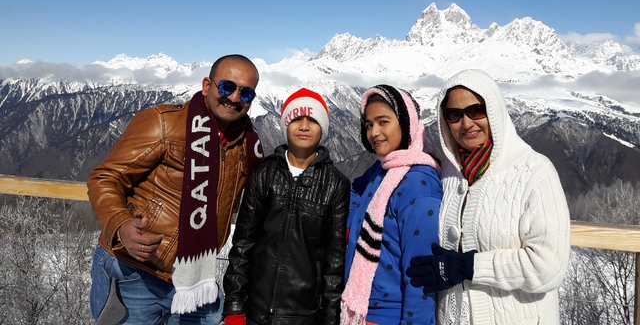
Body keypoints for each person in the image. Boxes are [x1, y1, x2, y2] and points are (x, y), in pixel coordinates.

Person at [87, 54, 263, 325]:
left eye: (246, 92)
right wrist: (121, 223)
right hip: (136, 272)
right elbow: (105, 177)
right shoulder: (164, 123)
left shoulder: (247, 146)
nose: (235, 98)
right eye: (227, 87)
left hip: (195, 280)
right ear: (207, 86)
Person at [406, 69, 571, 324]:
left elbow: (548, 267)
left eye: (476, 110)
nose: (466, 123)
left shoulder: (535, 171)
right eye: (454, 114)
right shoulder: (447, 173)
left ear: (493, 109)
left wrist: (468, 267)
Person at [223, 88, 350, 325]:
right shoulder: (263, 174)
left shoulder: (336, 185)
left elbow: (334, 262)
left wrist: (330, 318)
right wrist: (234, 307)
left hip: (304, 315)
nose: (303, 126)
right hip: (255, 310)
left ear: (322, 128)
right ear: (285, 126)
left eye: (312, 120)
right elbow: (242, 245)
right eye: (296, 119)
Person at [341, 85, 442, 325]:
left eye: (383, 122)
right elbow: (356, 189)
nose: (374, 132)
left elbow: (422, 275)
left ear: (406, 124)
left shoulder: (419, 185)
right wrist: (351, 227)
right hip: (361, 311)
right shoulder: (382, 168)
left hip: (390, 316)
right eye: (368, 125)